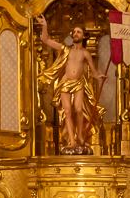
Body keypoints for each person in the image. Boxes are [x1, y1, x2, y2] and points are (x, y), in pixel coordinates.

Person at [37, 16, 108, 153]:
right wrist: (44, 25)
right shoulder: (65, 49)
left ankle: (80, 137)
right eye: (74, 32)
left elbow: (93, 72)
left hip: (79, 84)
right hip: (65, 83)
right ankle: (72, 140)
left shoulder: (85, 53)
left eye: (78, 32)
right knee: (67, 111)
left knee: (79, 109)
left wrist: (99, 76)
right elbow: (46, 40)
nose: (75, 34)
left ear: (84, 36)